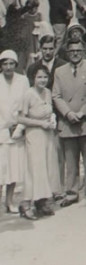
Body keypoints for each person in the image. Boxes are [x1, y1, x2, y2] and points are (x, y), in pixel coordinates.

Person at [52, 39, 86, 208]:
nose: (75, 53)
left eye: (78, 50)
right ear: (67, 53)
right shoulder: (59, 71)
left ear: (83, 51)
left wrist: (82, 112)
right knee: (71, 160)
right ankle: (71, 192)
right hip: (68, 121)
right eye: (72, 51)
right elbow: (56, 95)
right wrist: (68, 113)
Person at [16, 63, 61, 219]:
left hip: (47, 135)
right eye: (39, 77)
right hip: (34, 135)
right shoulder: (28, 94)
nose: (42, 80)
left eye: (45, 77)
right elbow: (20, 118)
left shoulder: (48, 92)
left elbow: (50, 110)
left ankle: (41, 203)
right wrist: (40, 123)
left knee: (47, 168)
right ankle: (25, 204)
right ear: (32, 78)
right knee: (35, 169)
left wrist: (53, 119)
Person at [0, 52, 29, 215]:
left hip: (17, 131)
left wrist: (20, 127)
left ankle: (9, 201)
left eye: (11, 64)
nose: (8, 67)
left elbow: (25, 105)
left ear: (16, 64)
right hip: (1, 130)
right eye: (5, 64)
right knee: (0, 169)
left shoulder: (23, 81)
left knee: (13, 169)